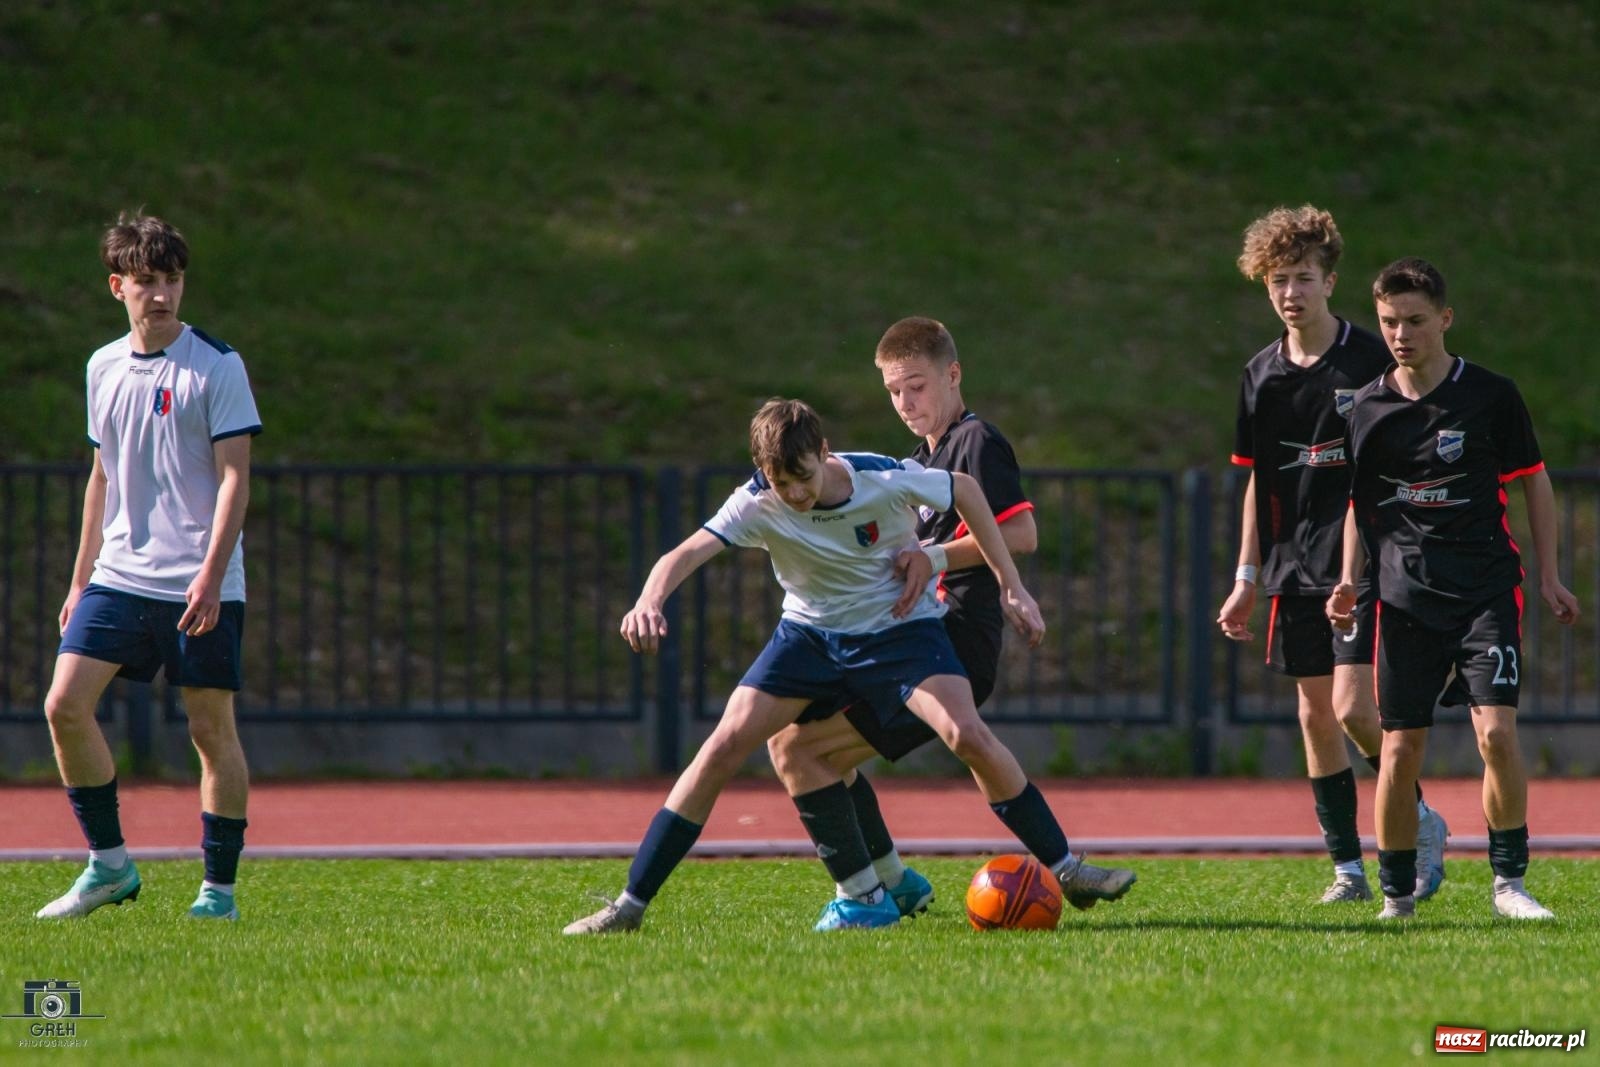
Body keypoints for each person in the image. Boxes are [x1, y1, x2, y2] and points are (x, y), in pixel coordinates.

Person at [565, 398, 1085, 934]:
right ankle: (630, 906)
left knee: (963, 732)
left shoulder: (880, 477)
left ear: (824, 451)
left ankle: (1067, 867)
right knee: (722, 745)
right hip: (809, 638)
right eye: (779, 482)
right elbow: (684, 553)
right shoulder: (757, 500)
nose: (793, 494)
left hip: (899, 633)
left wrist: (1011, 585)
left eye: (802, 478)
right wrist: (649, 601)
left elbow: (967, 490)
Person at [764, 317, 1134, 918]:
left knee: (813, 750)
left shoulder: (976, 441)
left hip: (951, 636)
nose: (905, 403)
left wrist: (933, 557)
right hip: (901, 637)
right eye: (893, 392)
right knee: (809, 746)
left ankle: (882, 891)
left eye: (916, 386)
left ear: (952, 375)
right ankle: (897, 881)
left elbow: (1020, 531)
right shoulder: (917, 458)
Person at [1328, 257, 1580, 920]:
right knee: (1400, 747)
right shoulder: (1368, 407)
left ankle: (1509, 883)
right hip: (1403, 597)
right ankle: (1397, 897)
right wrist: (1349, 580)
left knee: (1496, 733)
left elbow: (1535, 478)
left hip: (1485, 592)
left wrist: (1550, 574)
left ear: (1446, 318)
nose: (1400, 333)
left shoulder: (1491, 395)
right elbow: (1359, 503)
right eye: (1388, 322)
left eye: (1414, 320)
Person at [1218, 205, 1448, 903]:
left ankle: (1416, 812)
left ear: (1330, 280)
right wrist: (1246, 575)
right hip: (1293, 561)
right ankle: (1347, 867)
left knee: (1352, 706)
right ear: (1265, 285)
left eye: (1304, 278)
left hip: (1365, 558)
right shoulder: (1260, 374)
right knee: (1313, 715)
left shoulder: (1370, 360)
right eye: (1278, 279)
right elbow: (1259, 478)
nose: (1291, 292)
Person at [36, 213, 262, 922]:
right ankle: (109, 865)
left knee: (209, 731)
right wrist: (79, 580)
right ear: (118, 286)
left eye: (170, 280)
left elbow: (235, 479)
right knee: (63, 704)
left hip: (200, 582)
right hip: (120, 576)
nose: (160, 295)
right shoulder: (102, 366)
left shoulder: (217, 365)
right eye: (145, 282)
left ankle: (217, 892)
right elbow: (100, 477)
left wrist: (210, 572)